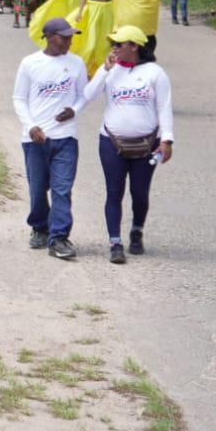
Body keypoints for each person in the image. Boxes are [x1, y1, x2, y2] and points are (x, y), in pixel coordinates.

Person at [83, 26, 174, 263]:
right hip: (111, 141)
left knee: (139, 192)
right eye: (112, 43)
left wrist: (167, 139)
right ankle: (115, 242)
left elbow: (164, 107)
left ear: (134, 46)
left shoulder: (155, 73)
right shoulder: (111, 71)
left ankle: (136, 230)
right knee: (114, 192)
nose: (113, 48)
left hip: (146, 144)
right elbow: (88, 95)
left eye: (118, 44)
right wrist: (104, 70)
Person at [13, 19, 89, 260]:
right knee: (37, 189)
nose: (68, 41)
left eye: (70, 37)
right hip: (35, 139)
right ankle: (39, 226)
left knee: (62, 189)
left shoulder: (76, 63)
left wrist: (74, 111)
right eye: (63, 37)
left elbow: (82, 96)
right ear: (48, 36)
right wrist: (31, 126)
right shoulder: (30, 63)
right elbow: (19, 98)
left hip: (65, 138)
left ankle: (59, 238)